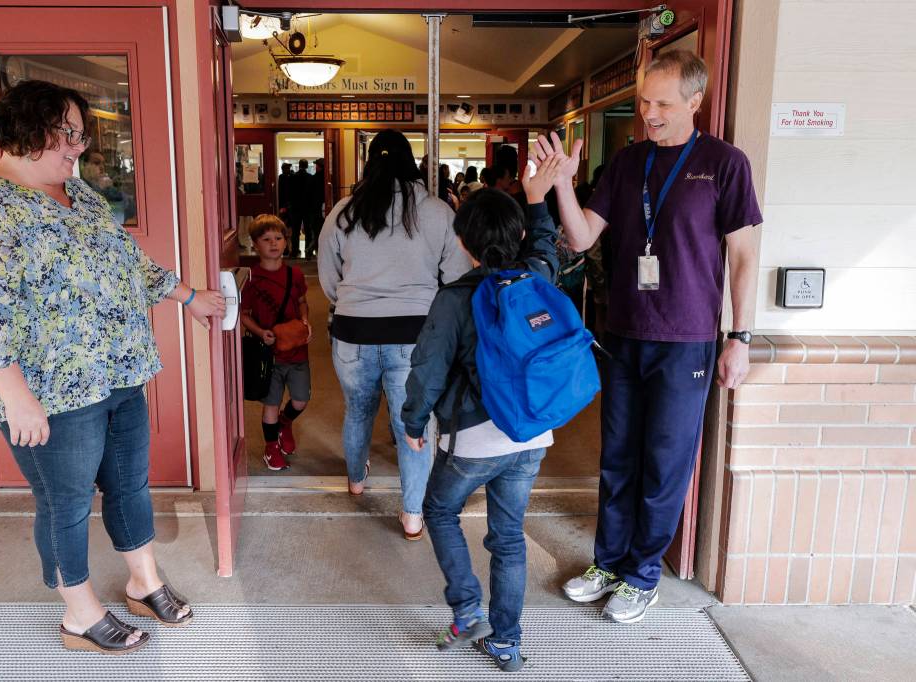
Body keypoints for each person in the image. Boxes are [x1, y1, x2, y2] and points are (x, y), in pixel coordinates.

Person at [0, 80, 225, 654]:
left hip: (119, 371)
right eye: (69, 134)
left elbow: (125, 261)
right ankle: (80, 613)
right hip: (50, 391)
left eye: (79, 134)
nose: (79, 146)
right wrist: (14, 395)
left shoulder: (82, 193)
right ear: (30, 129)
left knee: (129, 484)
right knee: (65, 502)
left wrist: (187, 296)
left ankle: (144, 582)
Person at [536, 49, 762, 624]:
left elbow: (743, 256)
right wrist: (563, 184)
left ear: (694, 101)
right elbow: (584, 237)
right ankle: (608, 564)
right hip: (624, 334)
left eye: (661, 103)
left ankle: (642, 575)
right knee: (617, 458)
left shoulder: (724, 163)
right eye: (643, 101)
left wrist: (740, 335)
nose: (648, 113)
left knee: (664, 462)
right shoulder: (627, 162)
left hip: (687, 339)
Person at [402, 154, 570, 672]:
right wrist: (538, 199)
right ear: (516, 236)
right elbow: (546, 245)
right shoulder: (538, 275)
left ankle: (467, 609)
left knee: (439, 510)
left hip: (474, 440)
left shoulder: (455, 299)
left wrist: (413, 422)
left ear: (462, 242)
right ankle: (507, 642)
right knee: (508, 537)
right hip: (530, 434)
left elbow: (427, 367)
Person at [318, 129, 471, 539]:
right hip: (414, 335)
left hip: (352, 331)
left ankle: (355, 481)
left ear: (370, 163)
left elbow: (328, 277)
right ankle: (412, 516)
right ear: (411, 161)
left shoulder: (344, 211)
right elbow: (457, 276)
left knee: (358, 411)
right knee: (414, 424)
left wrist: (350, 301)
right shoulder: (438, 211)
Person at [240, 214, 312, 471]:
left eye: (278, 238)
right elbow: (244, 315)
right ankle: (271, 448)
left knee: (301, 399)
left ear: (286, 241)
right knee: (270, 403)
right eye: (266, 239)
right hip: (269, 355)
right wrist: (260, 332)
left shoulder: (295, 274)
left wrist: (304, 321)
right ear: (255, 244)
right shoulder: (251, 279)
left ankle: (286, 422)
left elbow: (302, 301)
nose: (273, 243)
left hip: (296, 349)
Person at [286, 159, 310, 257]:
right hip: (307, 207)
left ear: (299, 165)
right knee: (308, 230)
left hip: (295, 207)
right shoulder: (310, 177)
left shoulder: (292, 177)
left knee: (295, 230)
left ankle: (295, 251)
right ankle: (308, 250)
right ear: (307, 166)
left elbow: (289, 193)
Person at [304, 158, 326, 259]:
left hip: (314, 210)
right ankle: (315, 251)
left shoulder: (313, 179)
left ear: (320, 167)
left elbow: (308, 195)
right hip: (325, 209)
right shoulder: (328, 178)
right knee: (322, 233)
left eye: (316, 165)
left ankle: (310, 249)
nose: (315, 167)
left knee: (317, 232)